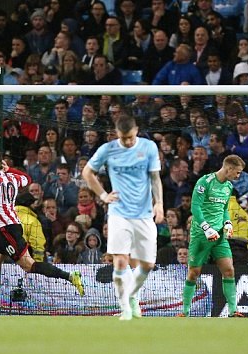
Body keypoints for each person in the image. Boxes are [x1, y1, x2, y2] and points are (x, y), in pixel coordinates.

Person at [0, 149, 84, 316]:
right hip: (7, 227)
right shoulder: (12, 177)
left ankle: (70, 276)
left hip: (6, 228)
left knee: (29, 266)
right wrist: (9, 169)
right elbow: (27, 179)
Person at [82, 115, 164, 320]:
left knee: (146, 265)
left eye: (130, 137)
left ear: (136, 130)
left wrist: (159, 204)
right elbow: (87, 172)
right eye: (123, 137)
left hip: (144, 214)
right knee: (120, 262)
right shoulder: (107, 149)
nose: (127, 141)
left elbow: (155, 178)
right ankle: (125, 308)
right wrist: (102, 195)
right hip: (119, 213)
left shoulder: (149, 147)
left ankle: (132, 296)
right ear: (117, 133)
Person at [180, 155, 246, 317]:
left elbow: (223, 209)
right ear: (228, 168)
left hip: (219, 235)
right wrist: (206, 228)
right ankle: (185, 311)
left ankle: (232, 310)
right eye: (237, 173)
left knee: (229, 270)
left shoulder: (228, 186)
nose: (238, 176)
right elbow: (195, 208)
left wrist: (228, 222)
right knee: (194, 272)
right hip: (201, 235)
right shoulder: (205, 182)